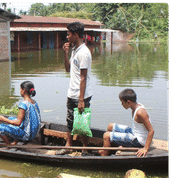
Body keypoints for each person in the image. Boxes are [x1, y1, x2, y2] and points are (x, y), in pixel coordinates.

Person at [57, 22, 93, 155]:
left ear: (76, 35)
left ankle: (85, 148)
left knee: (83, 123)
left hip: (81, 95)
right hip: (71, 93)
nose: (67, 37)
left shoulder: (84, 52)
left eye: (69, 34)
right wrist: (65, 53)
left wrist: (81, 99)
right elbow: (68, 70)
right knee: (70, 121)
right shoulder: (74, 50)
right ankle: (69, 145)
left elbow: (83, 77)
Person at [99, 89, 154, 157]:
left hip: (139, 140)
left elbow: (151, 130)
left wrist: (145, 148)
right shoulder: (135, 106)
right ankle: (107, 148)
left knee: (106, 135)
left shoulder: (140, 113)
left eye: (122, 102)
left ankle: (104, 156)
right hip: (134, 132)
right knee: (110, 126)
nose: (122, 104)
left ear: (128, 102)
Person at [0, 81, 41, 145]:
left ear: (23, 90)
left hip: (27, 136)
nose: (20, 91)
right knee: (11, 118)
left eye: (20, 89)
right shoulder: (34, 102)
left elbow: (18, 123)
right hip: (34, 134)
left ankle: (9, 146)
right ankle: (15, 141)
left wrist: (3, 119)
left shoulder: (23, 104)